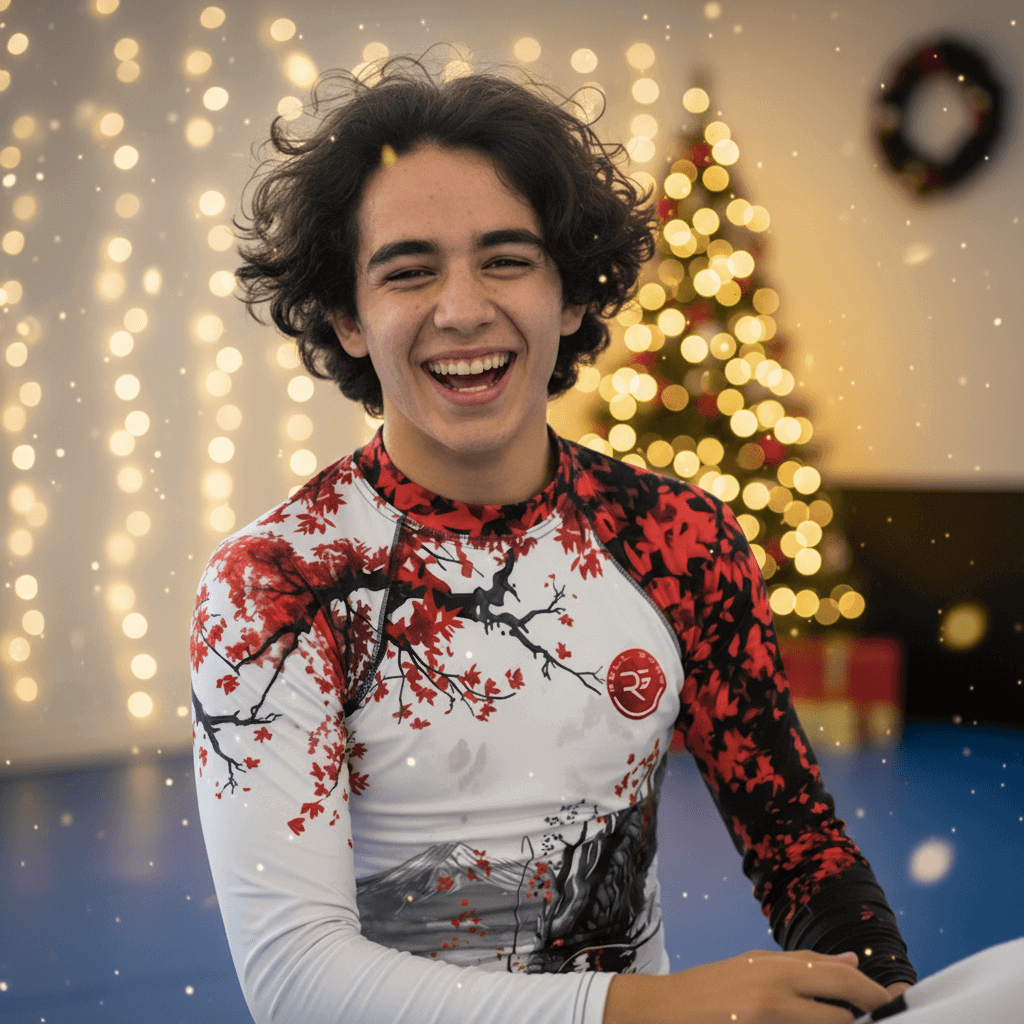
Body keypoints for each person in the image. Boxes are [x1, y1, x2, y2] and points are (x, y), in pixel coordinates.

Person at [190, 53, 916, 1023]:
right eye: (408, 271)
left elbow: (798, 845)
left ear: (570, 294)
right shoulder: (276, 585)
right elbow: (296, 982)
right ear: (346, 318)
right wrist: (650, 1009)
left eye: (506, 259)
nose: (462, 310)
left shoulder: (676, 540)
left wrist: (884, 992)